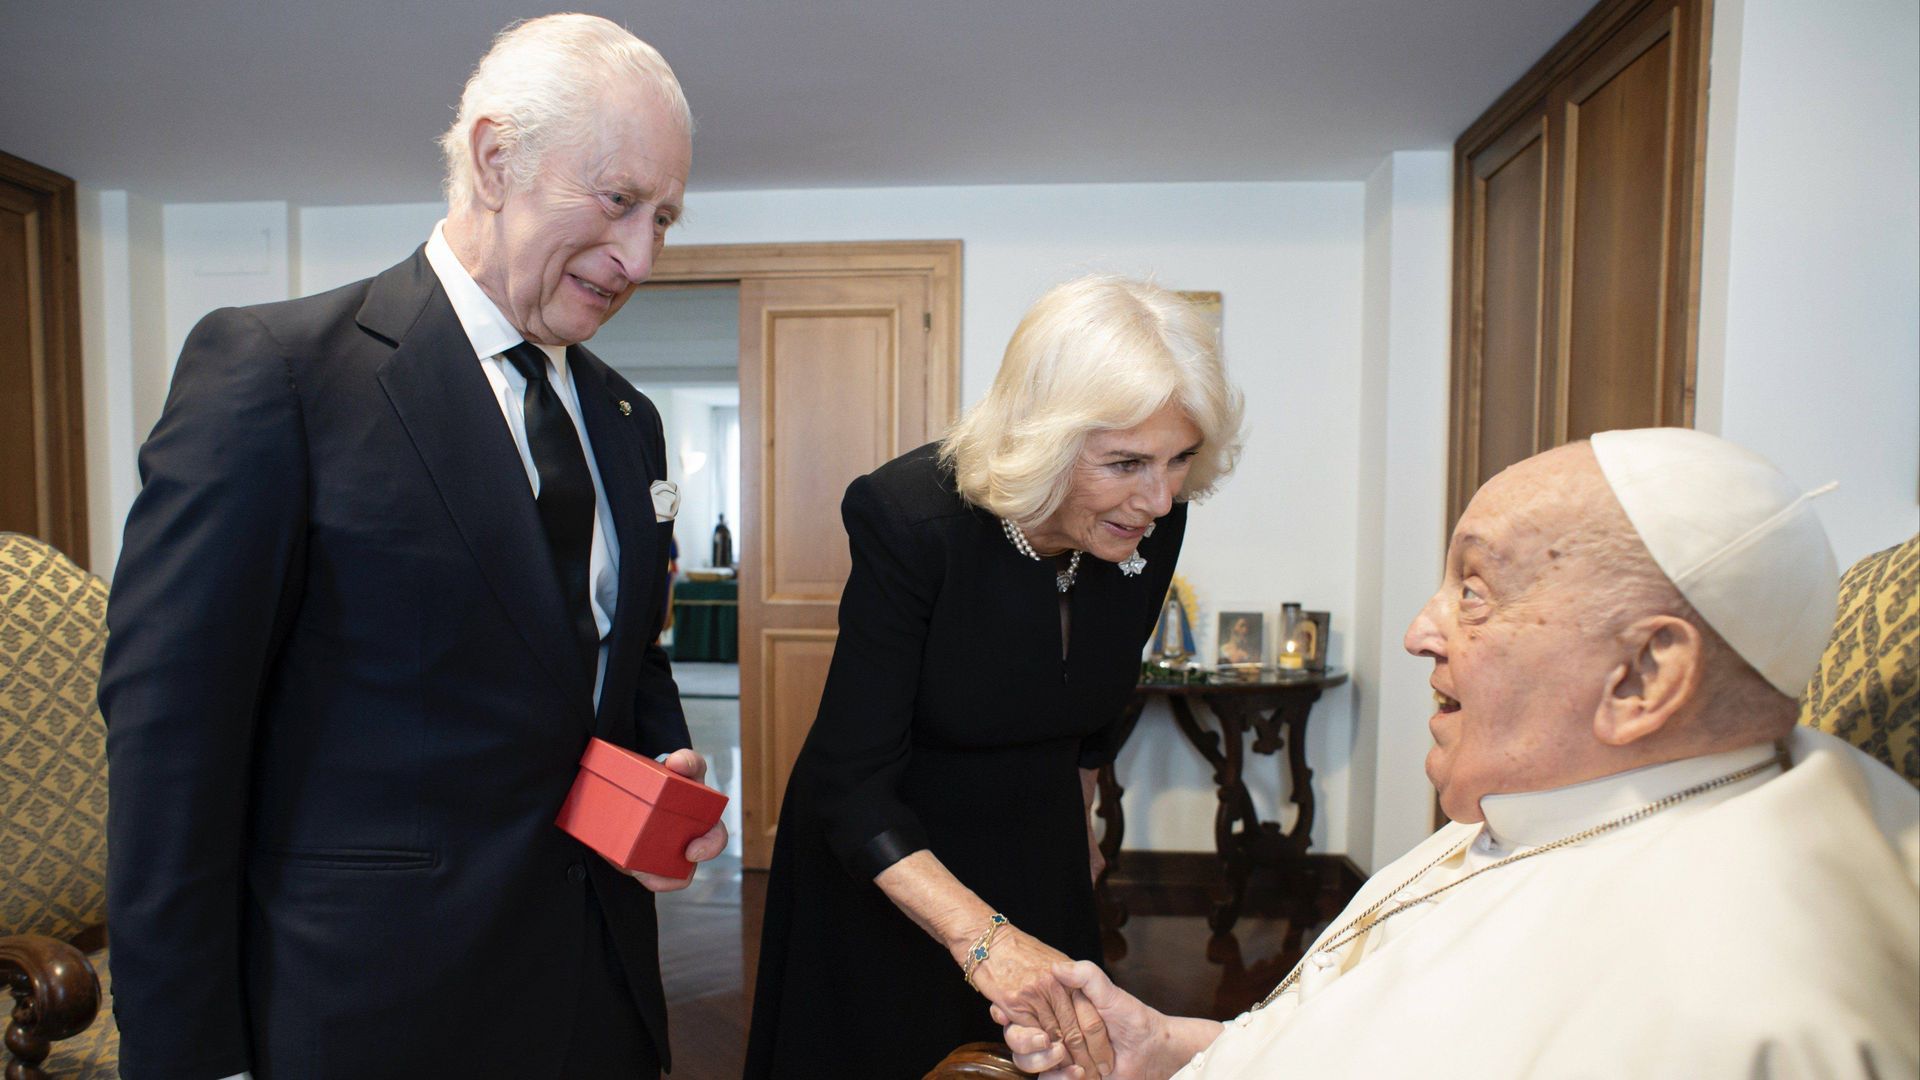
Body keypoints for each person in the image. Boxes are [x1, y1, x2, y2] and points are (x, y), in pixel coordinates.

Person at [99, 16, 722, 1079]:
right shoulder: (276, 375)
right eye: (619, 201)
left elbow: (616, 656)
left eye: (663, 217)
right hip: (367, 1011)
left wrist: (660, 773)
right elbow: (171, 749)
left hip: (596, 998)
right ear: (494, 159)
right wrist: (192, 1057)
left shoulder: (626, 419)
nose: (640, 258)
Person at [999, 428, 1920, 1078]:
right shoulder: (1568, 795)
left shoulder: (1740, 1001)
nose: (1418, 632)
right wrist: (1169, 1050)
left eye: (1474, 590)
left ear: (1643, 675)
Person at [744, 276, 1245, 1078]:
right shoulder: (911, 520)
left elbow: (1093, 709)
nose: (1159, 498)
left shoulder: (1149, 519)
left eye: (1179, 459)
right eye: (1125, 463)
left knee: (1044, 1058)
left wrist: (1078, 828)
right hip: (894, 854)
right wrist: (983, 940)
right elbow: (849, 782)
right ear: (1043, 436)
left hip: (1035, 836)